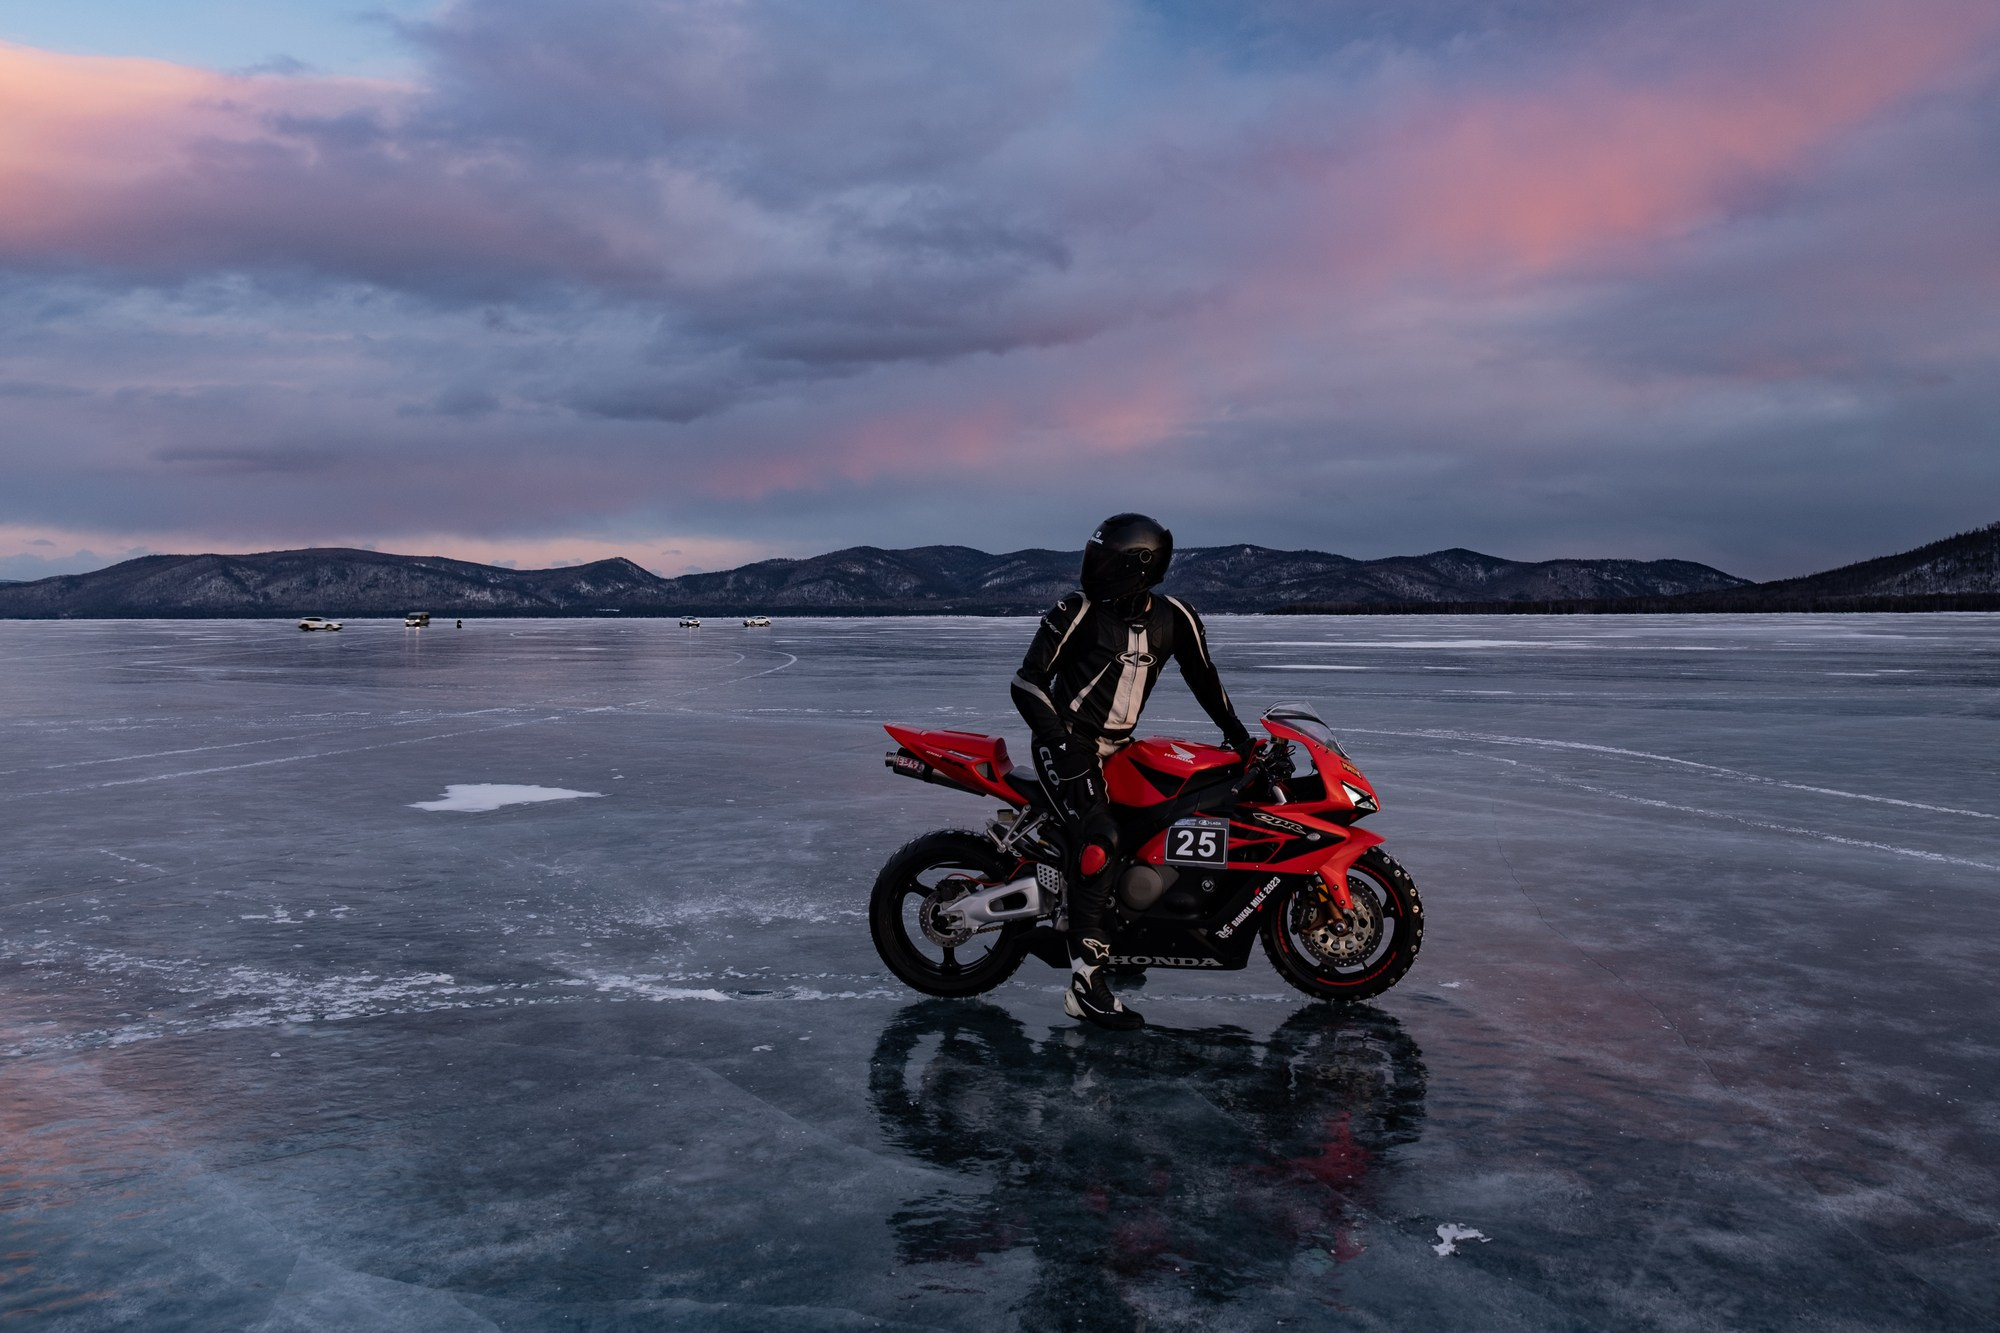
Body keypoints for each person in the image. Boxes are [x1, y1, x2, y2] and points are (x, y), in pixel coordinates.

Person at [1011, 513, 1252, 1030]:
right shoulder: (1075, 612)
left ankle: (1123, 940)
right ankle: (1085, 985)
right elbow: (1027, 684)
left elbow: (1205, 679)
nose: (1093, 568)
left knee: (1157, 826)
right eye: (1093, 555)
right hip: (1065, 745)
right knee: (1101, 839)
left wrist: (1241, 741)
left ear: (1139, 567)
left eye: (1104, 559)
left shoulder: (1175, 618)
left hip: (1118, 748)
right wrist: (1062, 744)